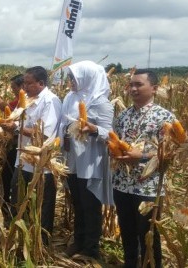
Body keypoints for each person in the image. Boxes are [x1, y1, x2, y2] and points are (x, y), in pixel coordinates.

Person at [113, 69, 175, 268]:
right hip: (122, 184)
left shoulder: (164, 117)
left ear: (154, 89)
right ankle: (130, 263)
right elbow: (115, 142)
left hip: (148, 187)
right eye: (131, 85)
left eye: (138, 84)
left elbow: (170, 153)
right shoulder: (123, 116)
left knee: (148, 234)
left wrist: (142, 156)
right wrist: (114, 151)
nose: (132, 88)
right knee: (127, 231)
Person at [59, 60, 114, 259]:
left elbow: (110, 134)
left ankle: (91, 249)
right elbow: (64, 123)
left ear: (87, 77)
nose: (70, 81)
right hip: (72, 159)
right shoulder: (69, 97)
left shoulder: (100, 102)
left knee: (90, 205)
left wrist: (93, 129)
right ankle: (79, 240)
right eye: (70, 77)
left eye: (74, 77)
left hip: (91, 161)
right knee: (78, 203)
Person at [1, 67, 61, 244]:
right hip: (22, 161)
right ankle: (20, 239)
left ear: (41, 83)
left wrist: (16, 128)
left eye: (28, 83)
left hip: (40, 166)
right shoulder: (26, 100)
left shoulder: (51, 102)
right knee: (18, 201)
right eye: (24, 83)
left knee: (41, 207)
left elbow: (44, 134)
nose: (24, 87)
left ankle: (40, 244)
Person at [0, 74, 24, 222]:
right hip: (12, 145)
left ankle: (11, 210)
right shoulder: (18, 100)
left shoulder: (24, 102)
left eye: (14, 87)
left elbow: (8, 109)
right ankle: (7, 207)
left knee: (10, 178)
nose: (12, 90)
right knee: (7, 178)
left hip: (19, 147)